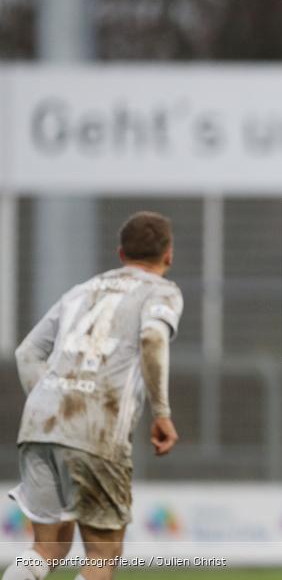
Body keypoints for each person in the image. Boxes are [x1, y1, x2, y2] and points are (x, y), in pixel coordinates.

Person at [3, 212, 183, 580]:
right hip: (96, 428)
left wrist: (54, 398)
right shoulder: (162, 290)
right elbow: (152, 337)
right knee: (102, 555)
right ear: (168, 255)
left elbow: (26, 354)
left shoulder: (81, 290)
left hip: (41, 421)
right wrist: (161, 412)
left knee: (46, 549)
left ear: (120, 253)